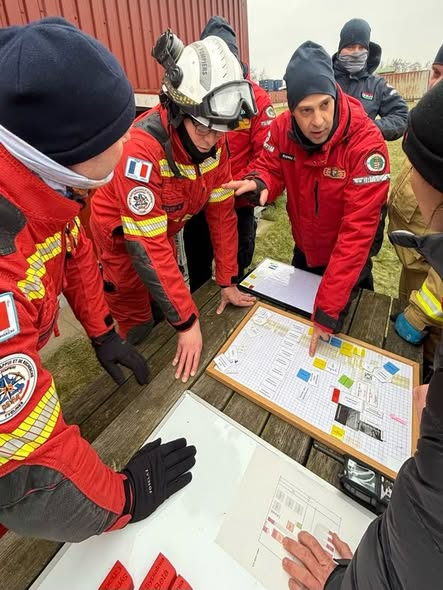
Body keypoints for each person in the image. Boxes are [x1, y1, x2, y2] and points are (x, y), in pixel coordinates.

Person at [0, 18, 195, 542]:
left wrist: (104, 332)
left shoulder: (45, 186)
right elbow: (29, 471)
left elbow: (75, 251)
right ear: (68, 149)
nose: (129, 139)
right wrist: (125, 496)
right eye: (115, 133)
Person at [280, 77, 443, 590]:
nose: (403, 186)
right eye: (304, 110)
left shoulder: (366, 141)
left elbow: (426, 537)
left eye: (412, 172)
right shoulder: (287, 131)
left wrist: (347, 582)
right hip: (309, 262)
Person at [90, 31, 257, 384]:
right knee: (138, 319)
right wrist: (187, 321)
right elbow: (145, 245)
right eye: (204, 129)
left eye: (221, 131)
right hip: (121, 241)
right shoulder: (140, 151)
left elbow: (222, 216)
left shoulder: (215, 144)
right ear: (179, 111)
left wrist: (227, 279)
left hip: (160, 229)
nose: (212, 141)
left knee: (166, 303)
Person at [226, 41, 390, 356]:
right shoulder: (282, 127)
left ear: (335, 96)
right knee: (296, 339)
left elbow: (357, 233)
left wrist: (328, 309)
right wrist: (260, 182)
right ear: (291, 108)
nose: (318, 121)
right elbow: (271, 166)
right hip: (304, 253)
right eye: (306, 110)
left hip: (349, 266)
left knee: (352, 340)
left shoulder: (366, 143)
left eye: (325, 105)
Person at [183, 16, 276, 291]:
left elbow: (266, 154)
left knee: (237, 270)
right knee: (198, 270)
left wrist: (242, 183)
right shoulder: (193, 91)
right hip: (198, 204)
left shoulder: (256, 98)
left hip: (239, 204)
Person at [387, 45, 443, 371]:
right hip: (413, 272)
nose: (437, 84)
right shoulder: (431, 126)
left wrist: (419, 315)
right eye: (435, 73)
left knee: (429, 367)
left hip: (433, 302)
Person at [333, 18, 408, 142]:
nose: (356, 52)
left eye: (361, 47)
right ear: (340, 48)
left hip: (360, 150)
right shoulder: (325, 78)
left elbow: (401, 116)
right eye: (350, 47)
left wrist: (368, 128)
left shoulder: (377, 85)